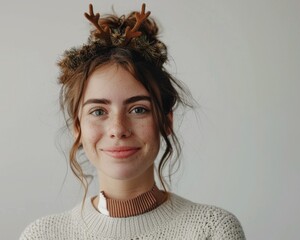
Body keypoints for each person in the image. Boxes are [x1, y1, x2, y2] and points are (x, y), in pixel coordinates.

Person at [20, 3, 245, 239]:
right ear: (78, 127)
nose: (118, 129)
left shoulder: (213, 230)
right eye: (98, 111)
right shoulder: (43, 235)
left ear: (166, 121)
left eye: (138, 109)